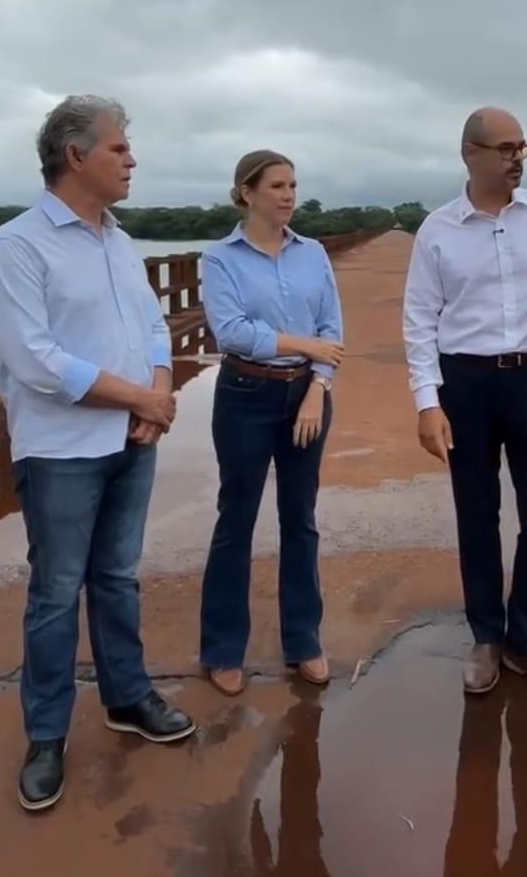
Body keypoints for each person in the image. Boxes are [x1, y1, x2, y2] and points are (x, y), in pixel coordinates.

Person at [0, 95, 195, 813]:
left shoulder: (118, 240)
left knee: (118, 577)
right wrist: (140, 397)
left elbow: (154, 325)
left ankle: (127, 697)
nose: (132, 160)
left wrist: (158, 391)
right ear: (76, 156)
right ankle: (45, 735)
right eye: (119, 149)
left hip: (131, 439)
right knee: (55, 592)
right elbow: (36, 361)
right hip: (63, 449)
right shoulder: (16, 247)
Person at [403, 107, 527, 701]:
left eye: (522, 148)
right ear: (470, 154)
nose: (517, 158)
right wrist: (427, 402)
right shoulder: (438, 229)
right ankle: (487, 636)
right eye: (505, 148)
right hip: (467, 384)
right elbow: (418, 321)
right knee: (477, 512)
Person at [199, 150, 344, 696]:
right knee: (236, 519)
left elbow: (333, 326)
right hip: (245, 394)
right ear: (246, 193)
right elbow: (232, 331)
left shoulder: (314, 254)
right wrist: (301, 343)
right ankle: (222, 648)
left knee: (300, 518)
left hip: (307, 394)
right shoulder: (221, 259)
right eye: (277, 186)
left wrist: (318, 385)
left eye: (293, 186)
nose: (288, 195)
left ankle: (304, 639)